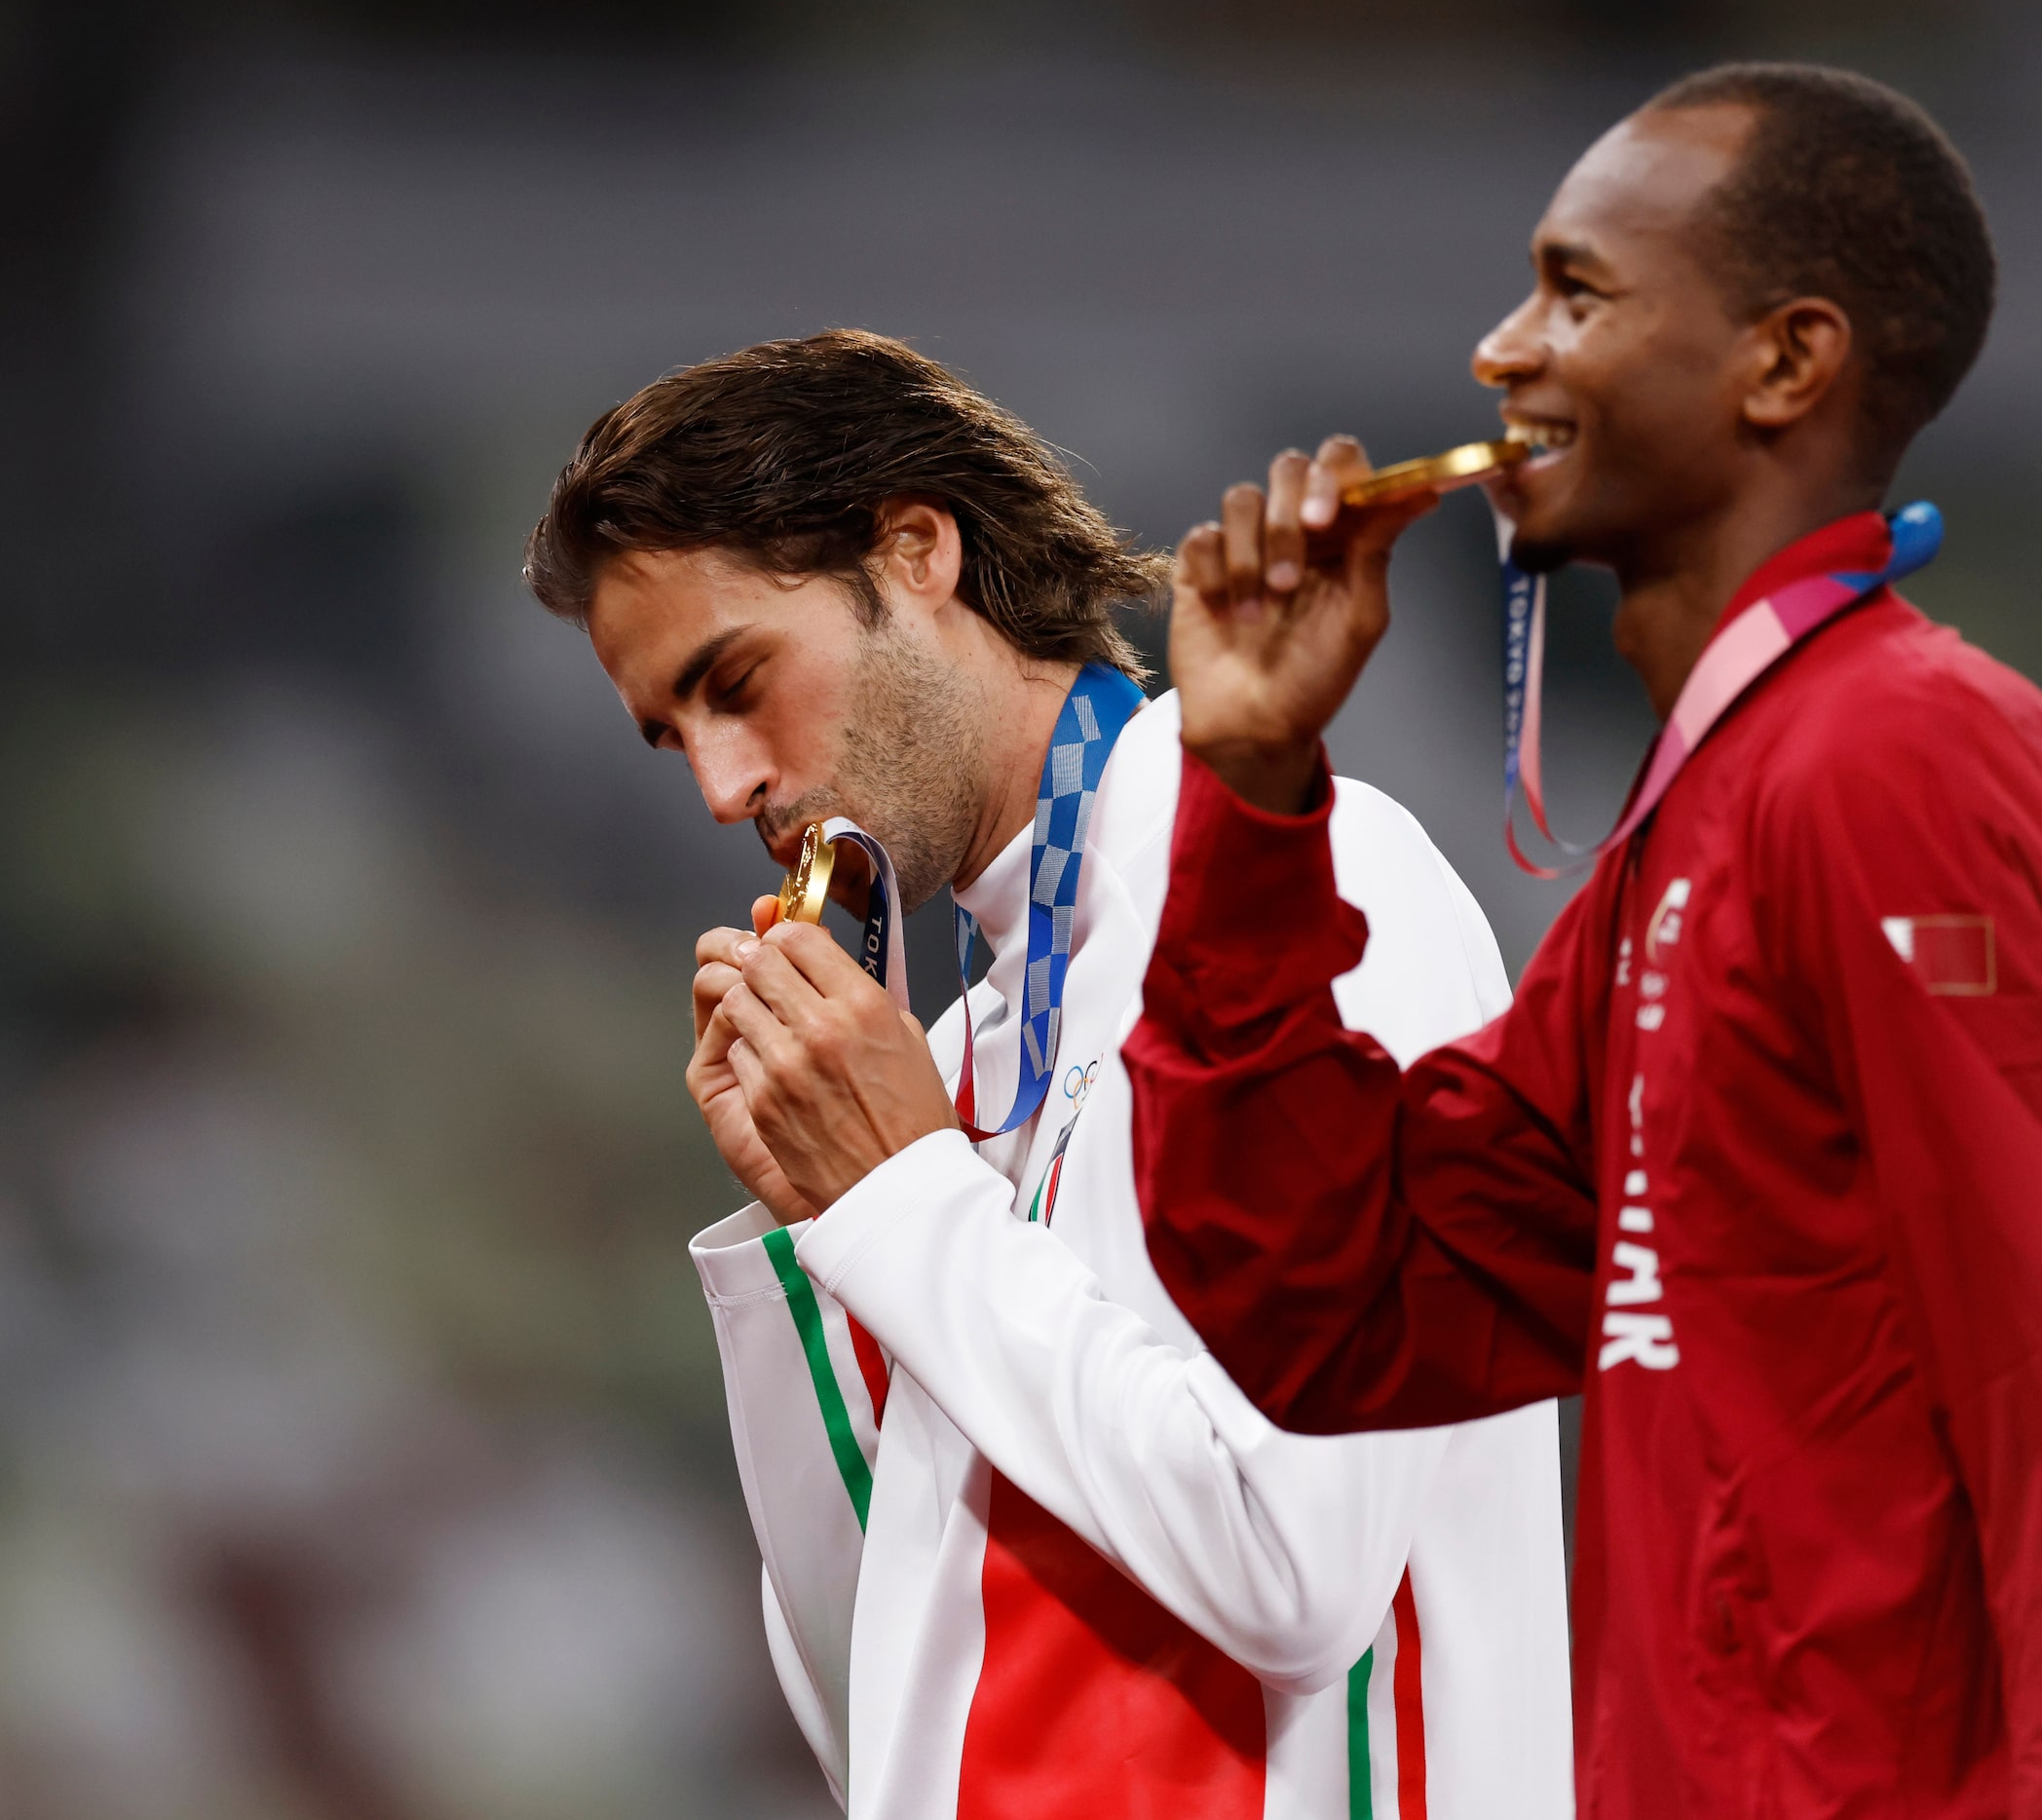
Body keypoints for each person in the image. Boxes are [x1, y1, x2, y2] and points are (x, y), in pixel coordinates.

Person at [1121, 63, 2042, 1817]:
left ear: (1783, 363)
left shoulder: (1894, 764)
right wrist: (1252, 792)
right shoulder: (1707, 826)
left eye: (1576, 292)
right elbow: (1336, 1300)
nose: (1500, 351)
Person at [522, 331, 1573, 1819]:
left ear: (915, 551)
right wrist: (815, 1228)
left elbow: (1295, 1563)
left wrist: (900, 1196)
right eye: (671, 735)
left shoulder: (1315, 893)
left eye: (736, 679)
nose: (721, 785)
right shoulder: (954, 1061)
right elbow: (872, 1709)